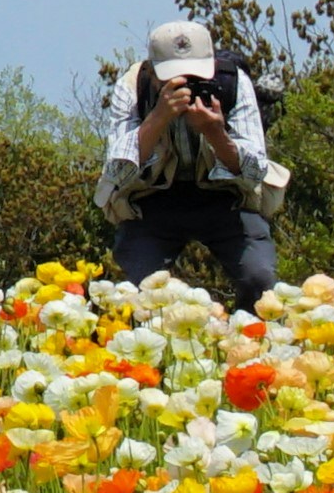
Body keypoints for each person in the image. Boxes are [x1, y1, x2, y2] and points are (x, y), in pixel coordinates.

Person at [101, 16, 278, 310]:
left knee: (258, 279)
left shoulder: (233, 81)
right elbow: (117, 172)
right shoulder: (133, 85)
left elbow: (256, 171)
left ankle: (247, 340)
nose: (187, 83)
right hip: (154, 200)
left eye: (196, 75)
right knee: (132, 293)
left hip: (226, 196)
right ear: (152, 71)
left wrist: (216, 133)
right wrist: (158, 118)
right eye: (174, 76)